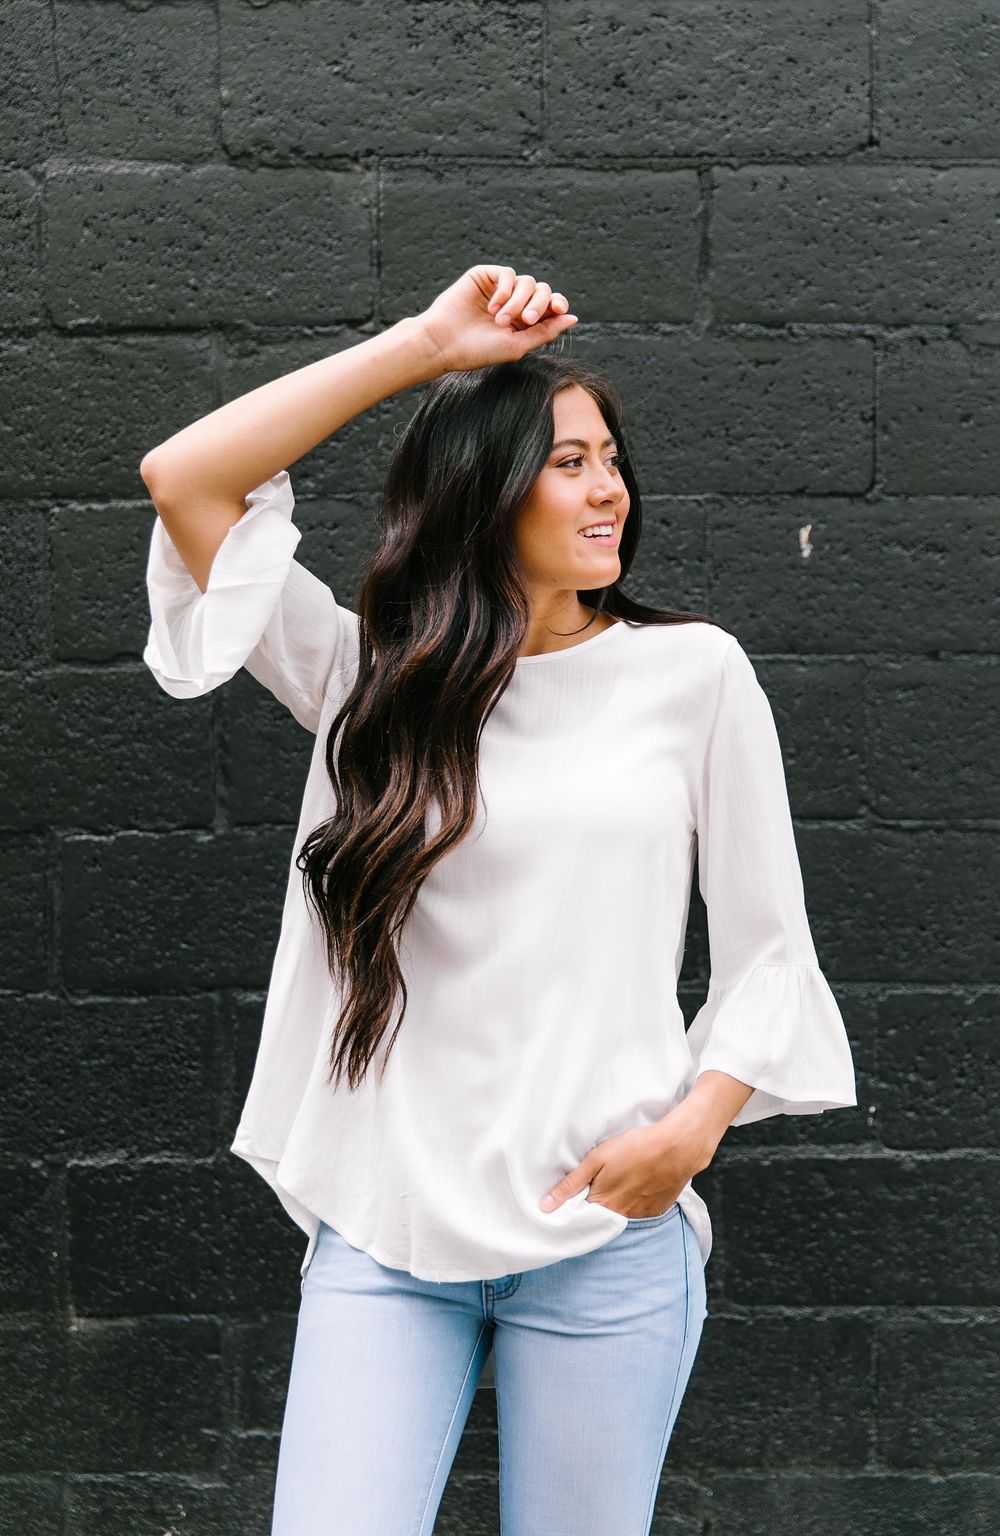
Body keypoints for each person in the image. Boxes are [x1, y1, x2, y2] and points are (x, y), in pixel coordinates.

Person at [140, 264, 857, 1535]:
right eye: (567, 462)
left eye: (610, 458)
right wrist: (426, 344)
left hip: (606, 1237)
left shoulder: (692, 676)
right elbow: (186, 477)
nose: (609, 488)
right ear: (483, 491)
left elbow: (770, 952)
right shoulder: (370, 675)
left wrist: (690, 1132)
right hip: (385, 1236)